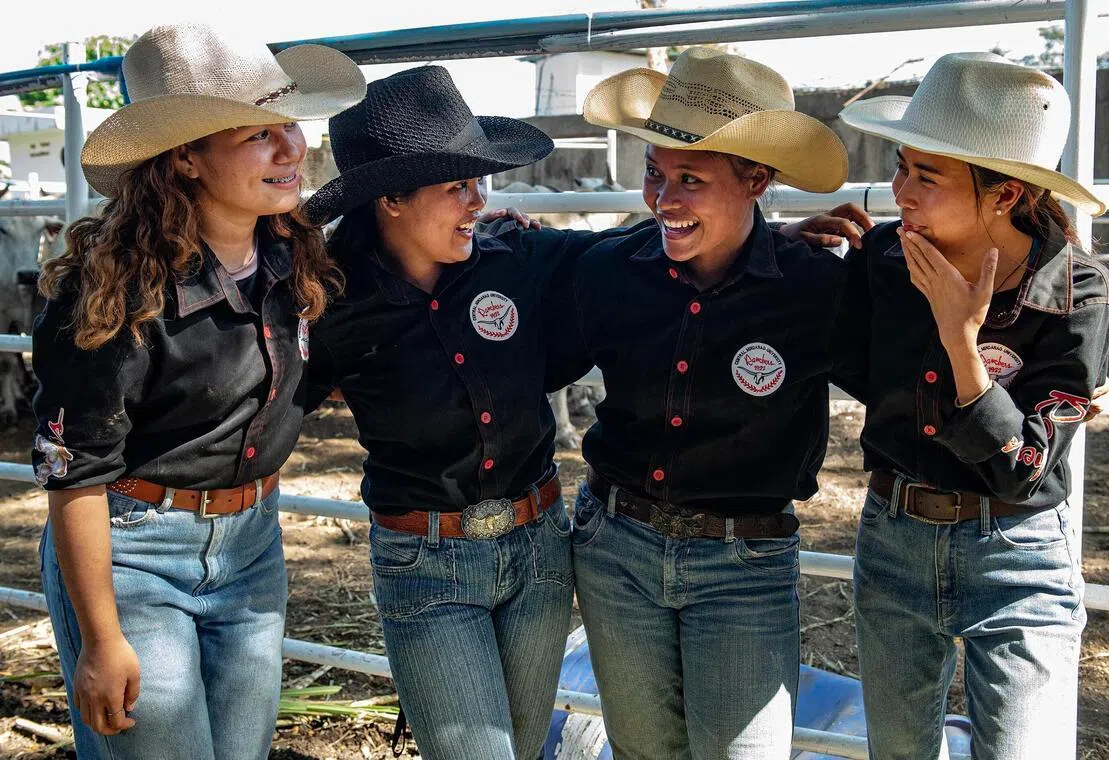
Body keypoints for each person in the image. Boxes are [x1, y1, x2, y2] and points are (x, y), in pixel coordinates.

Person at [33, 24, 363, 760]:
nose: (291, 149)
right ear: (185, 157)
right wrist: (101, 637)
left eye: (290, 126)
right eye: (258, 135)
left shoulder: (296, 259)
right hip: (133, 552)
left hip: (252, 547)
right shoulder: (113, 293)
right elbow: (74, 470)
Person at [301, 67, 634, 760]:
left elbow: (634, 256)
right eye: (458, 185)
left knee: (519, 745)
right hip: (426, 563)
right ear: (391, 198)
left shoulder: (518, 258)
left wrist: (775, 239)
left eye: (478, 182)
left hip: (538, 546)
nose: (478, 201)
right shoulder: (333, 308)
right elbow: (264, 405)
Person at [544, 48, 852, 760]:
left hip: (744, 560)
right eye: (655, 173)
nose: (663, 198)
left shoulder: (815, 290)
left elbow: (905, 381)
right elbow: (527, 337)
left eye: (691, 179)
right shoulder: (608, 271)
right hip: (617, 546)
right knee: (644, 750)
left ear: (757, 179)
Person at [834, 52, 1109, 760]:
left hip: (1016, 555)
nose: (899, 191)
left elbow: (1021, 468)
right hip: (894, 535)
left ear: (1006, 195)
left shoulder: (1078, 293)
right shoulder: (886, 260)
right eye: (900, 165)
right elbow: (848, 364)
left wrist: (963, 343)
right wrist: (788, 253)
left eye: (926, 177)